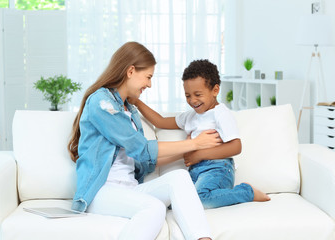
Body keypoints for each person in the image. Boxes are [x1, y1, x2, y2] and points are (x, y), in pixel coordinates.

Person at [67, 42, 220, 240]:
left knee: (179, 177)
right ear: (131, 71)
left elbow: (145, 161)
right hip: (101, 192)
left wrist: (189, 152)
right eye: (148, 77)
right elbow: (140, 148)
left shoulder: (130, 110)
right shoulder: (101, 102)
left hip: (129, 190)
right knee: (154, 208)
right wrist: (195, 143)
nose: (149, 84)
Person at [133, 59, 270, 209]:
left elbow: (236, 146)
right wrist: (137, 102)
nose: (192, 100)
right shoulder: (190, 117)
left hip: (218, 169)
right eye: (188, 96)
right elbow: (160, 121)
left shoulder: (220, 113)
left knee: (198, 199)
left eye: (198, 94)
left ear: (215, 90)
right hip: (195, 171)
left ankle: (246, 192)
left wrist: (198, 155)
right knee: (174, 202)